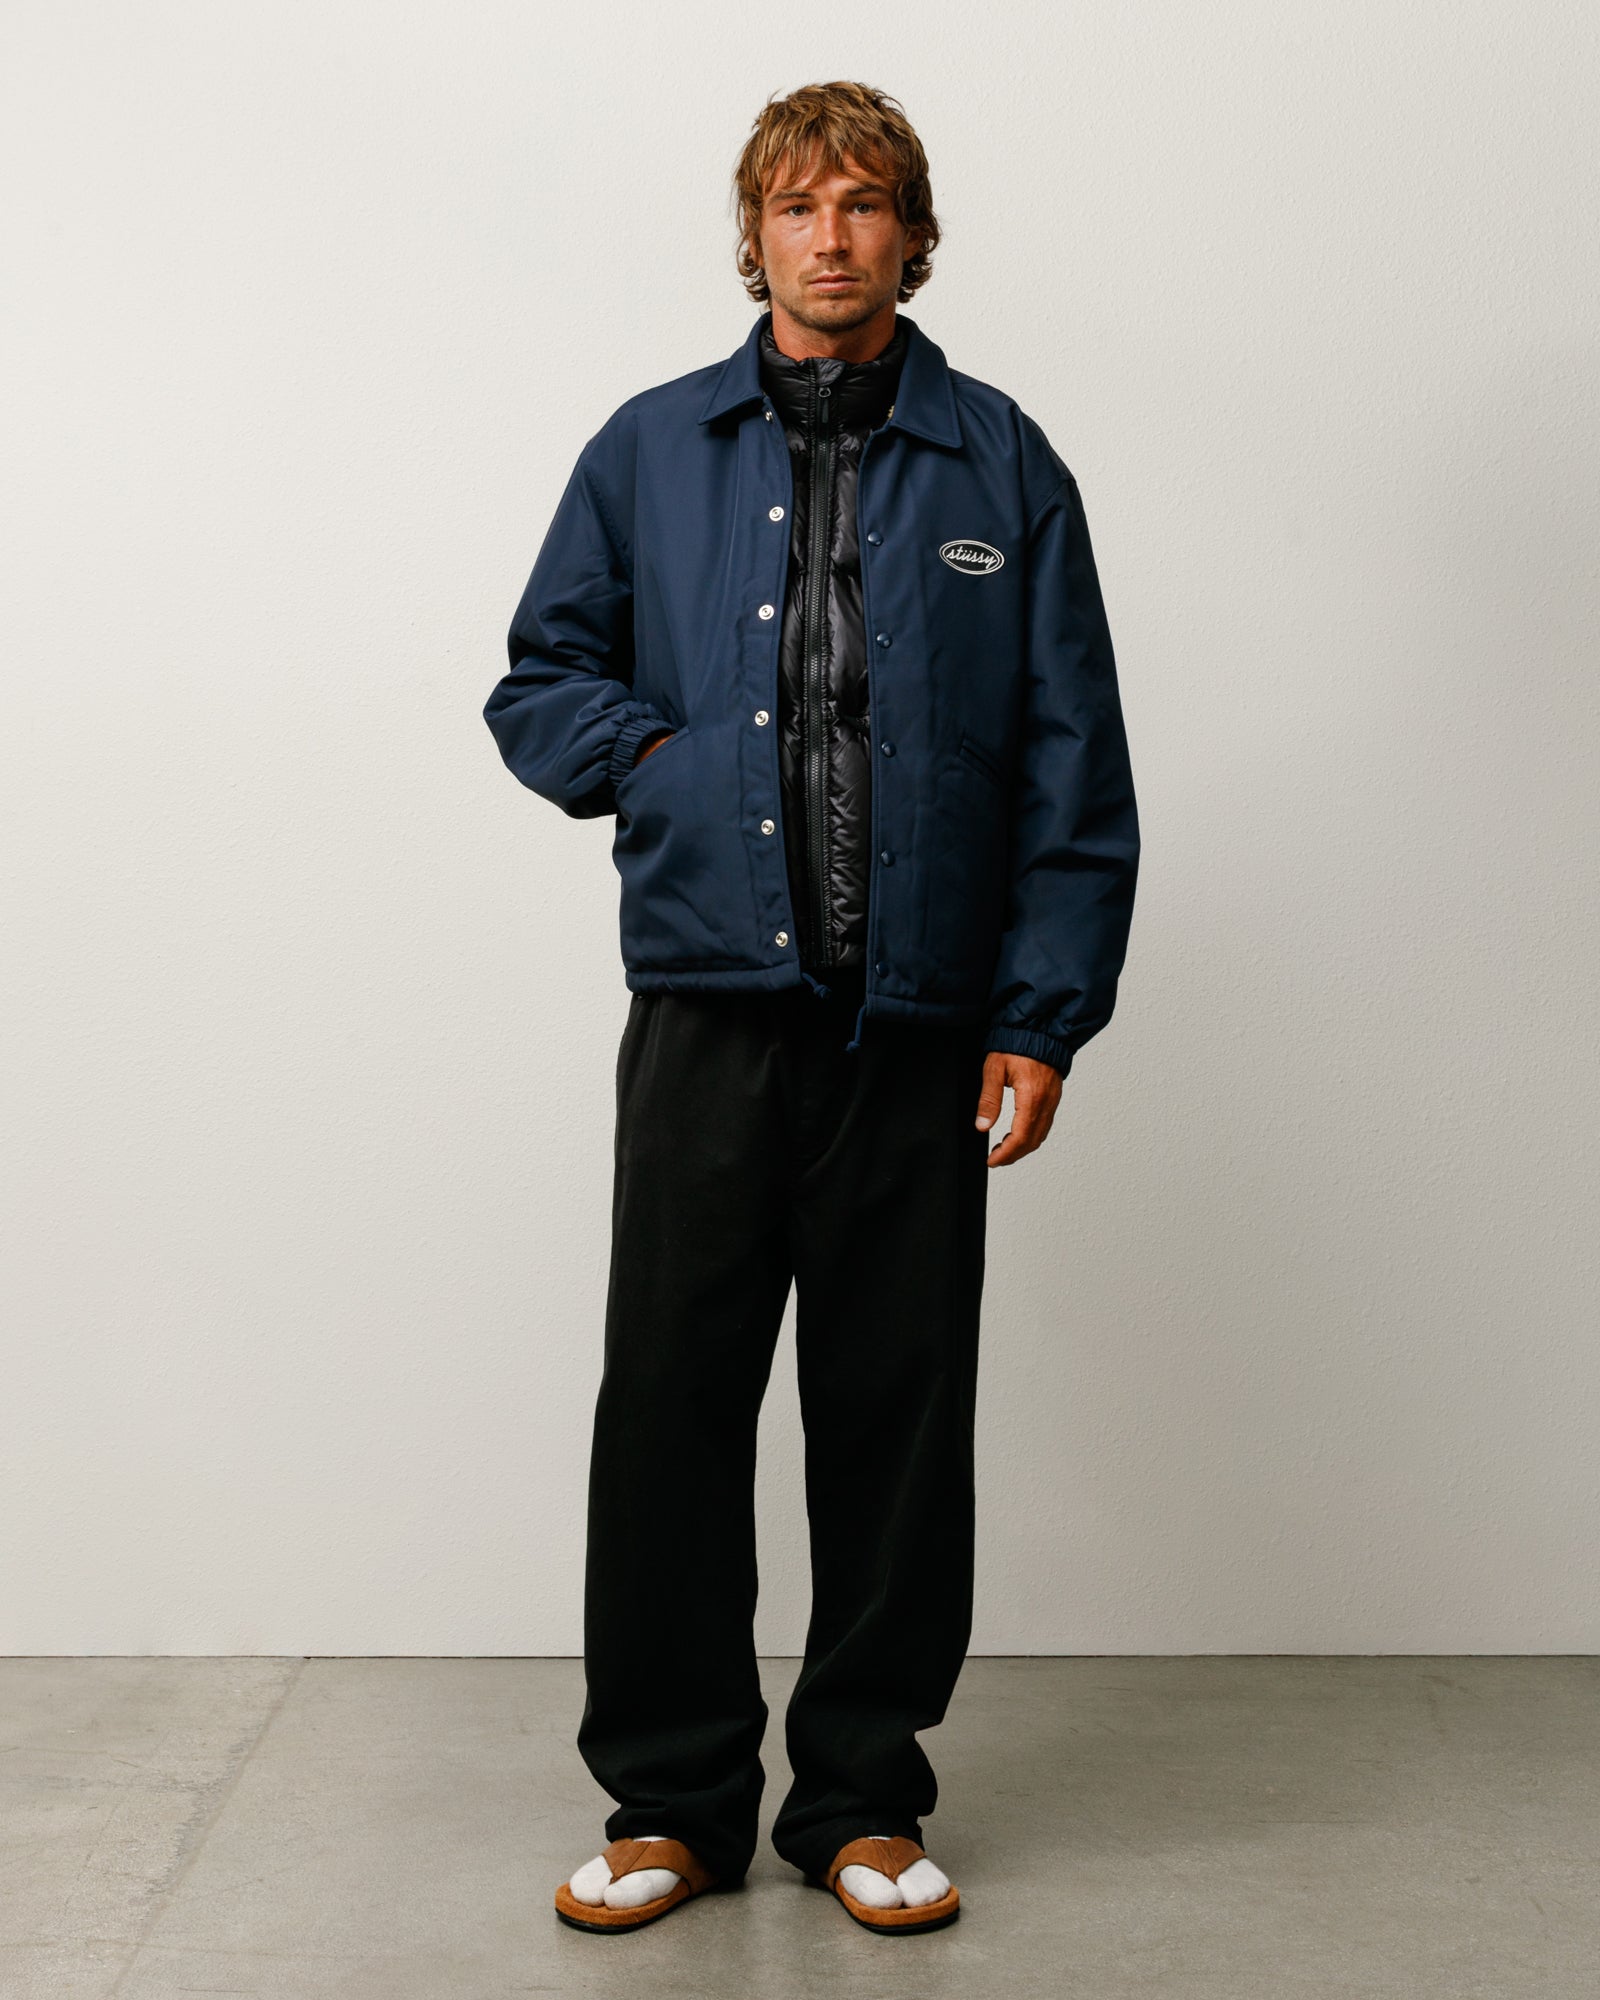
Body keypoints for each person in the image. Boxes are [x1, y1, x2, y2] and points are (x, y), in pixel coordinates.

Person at [483, 78, 1140, 1937]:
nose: (829, 236)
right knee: (671, 1412)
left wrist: (1042, 1015)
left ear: (912, 237)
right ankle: (670, 1802)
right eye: (796, 206)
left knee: (896, 1423)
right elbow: (539, 681)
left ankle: (860, 1797)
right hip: (706, 1014)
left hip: (918, 1031)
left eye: (862, 205)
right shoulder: (649, 449)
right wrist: (668, 766)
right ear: (755, 235)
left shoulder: (1004, 464)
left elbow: (1073, 758)